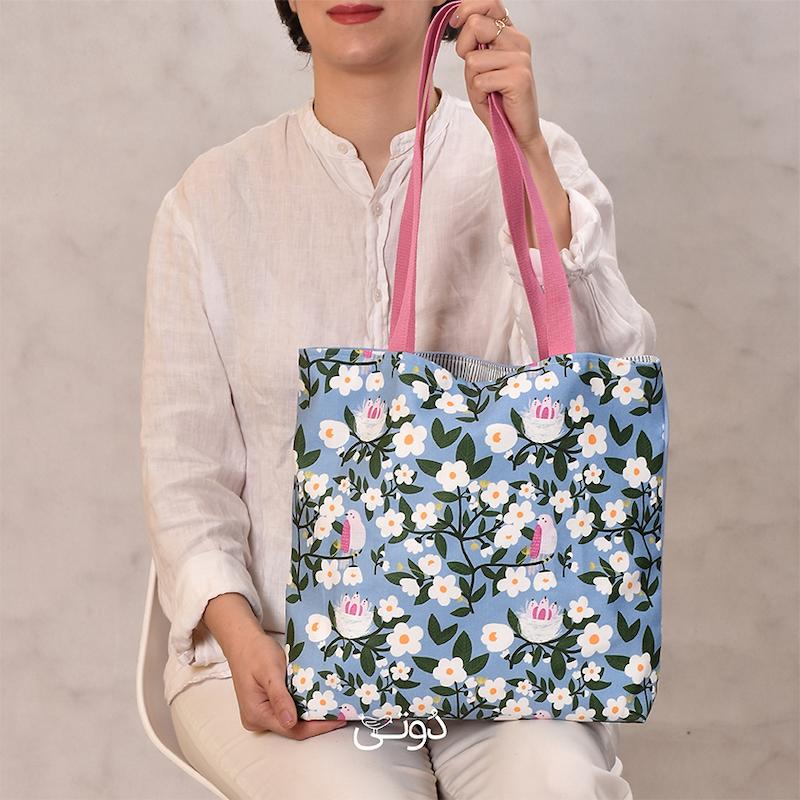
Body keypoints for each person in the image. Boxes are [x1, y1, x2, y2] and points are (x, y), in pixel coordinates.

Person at [140, 1, 652, 797]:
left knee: (555, 784)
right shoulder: (211, 200)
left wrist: (525, 156)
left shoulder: (536, 158)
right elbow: (185, 472)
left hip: (509, 647)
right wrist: (240, 636)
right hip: (279, 647)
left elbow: (606, 400)